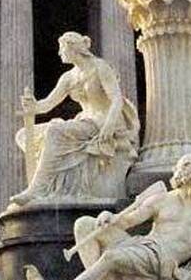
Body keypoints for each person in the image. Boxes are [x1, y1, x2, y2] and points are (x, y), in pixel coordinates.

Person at [16, 154, 191, 280]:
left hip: (163, 260)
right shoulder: (162, 199)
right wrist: (110, 216)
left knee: (111, 257)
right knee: (85, 224)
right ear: (185, 178)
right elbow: (129, 221)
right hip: (146, 246)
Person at [10, 32, 139, 206]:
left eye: (61, 48)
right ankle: (53, 182)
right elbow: (47, 105)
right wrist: (33, 105)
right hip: (85, 122)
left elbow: (117, 99)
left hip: (103, 121)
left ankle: (37, 189)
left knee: (55, 131)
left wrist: (108, 126)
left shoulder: (100, 67)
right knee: (24, 135)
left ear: (73, 48)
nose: (59, 53)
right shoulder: (68, 77)